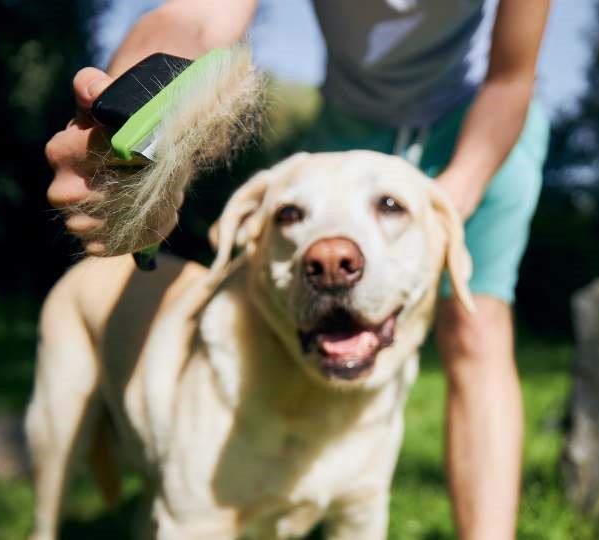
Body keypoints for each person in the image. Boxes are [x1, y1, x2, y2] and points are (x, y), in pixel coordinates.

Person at [45, 1, 550, 537]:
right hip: (348, 123)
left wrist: (436, 208)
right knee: (292, 313)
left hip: (477, 121)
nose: (332, 261)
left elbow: (511, 79)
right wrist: (126, 122)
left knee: (478, 328)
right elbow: (197, 18)